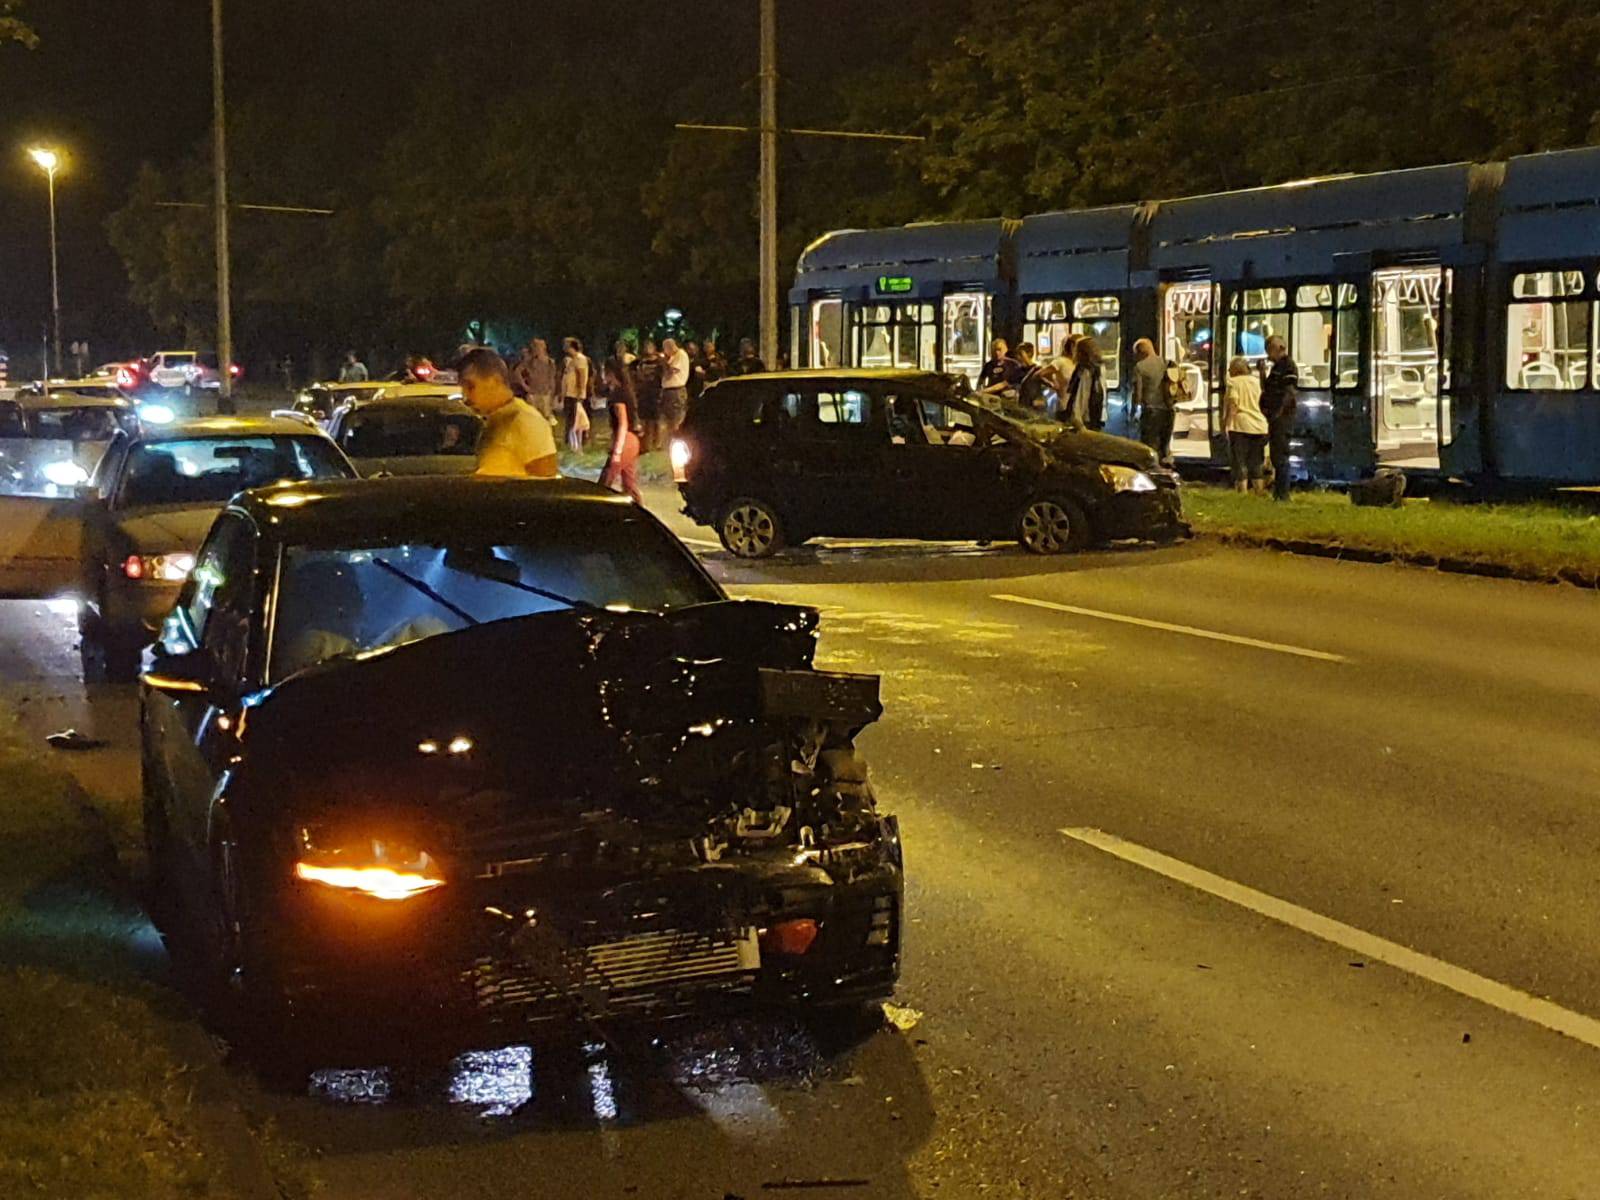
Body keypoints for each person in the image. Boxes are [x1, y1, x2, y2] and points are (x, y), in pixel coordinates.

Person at [460, 347, 559, 478]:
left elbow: (546, 486)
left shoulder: (526, 421)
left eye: (471, 386)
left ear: (495, 381)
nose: (465, 396)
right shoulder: (495, 419)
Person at [599, 357, 643, 504]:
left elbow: (623, 422)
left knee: (605, 480)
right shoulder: (626, 391)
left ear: (611, 373)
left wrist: (617, 451)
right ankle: (641, 513)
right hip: (633, 440)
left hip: (625, 441)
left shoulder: (617, 394)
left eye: (605, 371)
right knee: (629, 484)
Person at [1260, 334, 1299, 500]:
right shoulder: (1276, 367)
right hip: (1274, 417)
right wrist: (1262, 373)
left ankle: (1283, 494)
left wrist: (1278, 412)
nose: (1268, 356)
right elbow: (1266, 388)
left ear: (1277, 349)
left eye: (1269, 351)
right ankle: (1279, 492)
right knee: (1276, 455)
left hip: (1282, 418)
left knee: (1281, 455)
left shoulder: (1287, 366)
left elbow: (1289, 392)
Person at [1223, 355, 1268, 493]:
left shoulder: (1233, 382)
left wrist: (1226, 424)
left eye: (1230, 369)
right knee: (1256, 463)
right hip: (1260, 426)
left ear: (1235, 370)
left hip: (1240, 426)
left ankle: (1242, 493)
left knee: (1240, 462)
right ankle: (1259, 491)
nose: (1229, 371)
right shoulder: (1256, 382)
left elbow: (1234, 403)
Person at [1130, 337, 1173, 464]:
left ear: (1141, 352)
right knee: (1164, 447)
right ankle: (1167, 471)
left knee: (1150, 447)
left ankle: (1153, 475)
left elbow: (1137, 394)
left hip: (1151, 411)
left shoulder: (1140, 367)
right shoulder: (1166, 363)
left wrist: (1133, 413)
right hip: (1169, 411)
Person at [516, 338, 561, 423]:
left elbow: (552, 378)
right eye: (534, 347)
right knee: (531, 417)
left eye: (537, 347)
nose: (535, 349)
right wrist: (525, 386)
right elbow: (517, 372)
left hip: (545, 394)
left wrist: (553, 393)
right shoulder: (529, 361)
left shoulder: (550, 362)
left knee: (545, 418)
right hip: (533, 393)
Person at [1064, 337, 1105, 429]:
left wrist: (1076, 418)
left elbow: (1081, 395)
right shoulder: (1100, 367)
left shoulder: (1084, 371)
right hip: (1096, 414)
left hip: (1085, 419)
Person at [631, 339, 663, 450]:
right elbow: (631, 373)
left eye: (650, 346)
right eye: (645, 346)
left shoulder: (660, 361)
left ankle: (657, 443)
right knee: (644, 420)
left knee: (656, 419)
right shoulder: (638, 362)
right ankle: (646, 444)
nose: (647, 349)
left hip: (656, 392)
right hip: (643, 393)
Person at [658, 336, 690, 446]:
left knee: (676, 419)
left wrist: (663, 362)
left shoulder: (680, 355)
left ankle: (678, 442)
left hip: (676, 391)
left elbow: (671, 371)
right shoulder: (673, 357)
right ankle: (671, 442)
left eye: (665, 349)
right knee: (669, 419)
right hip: (668, 391)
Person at [560, 337, 591, 447]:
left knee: (575, 419)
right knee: (569, 418)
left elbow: (581, 375)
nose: (563, 347)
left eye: (565, 345)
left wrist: (580, 392)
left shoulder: (580, 359)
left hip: (575, 394)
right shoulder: (570, 360)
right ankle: (569, 441)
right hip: (569, 394)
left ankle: (576, 443)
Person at [1014, 342, 1048, 411]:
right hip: (1023, 406)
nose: (1018, 357)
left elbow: (1048, 385)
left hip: (1035, 407)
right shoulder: (1018, 371)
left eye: (1020, 354)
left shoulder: (1038, 370)